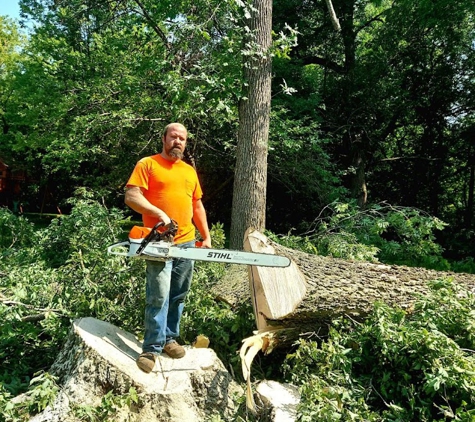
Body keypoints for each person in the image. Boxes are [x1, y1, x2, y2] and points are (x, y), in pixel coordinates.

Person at [125, 122, 212, 373]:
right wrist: (158, 213)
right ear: (164, 138)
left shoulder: (188, 171)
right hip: (159, 241)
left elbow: (197, 206)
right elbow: (132, 196)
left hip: (185, 241)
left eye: (182, 138)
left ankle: (169, 339)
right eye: (173, 137)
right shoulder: (148, 164)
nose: (178, 141)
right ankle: (151, 348)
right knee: (159, 294)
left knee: (178, 293)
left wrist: (205, 236)